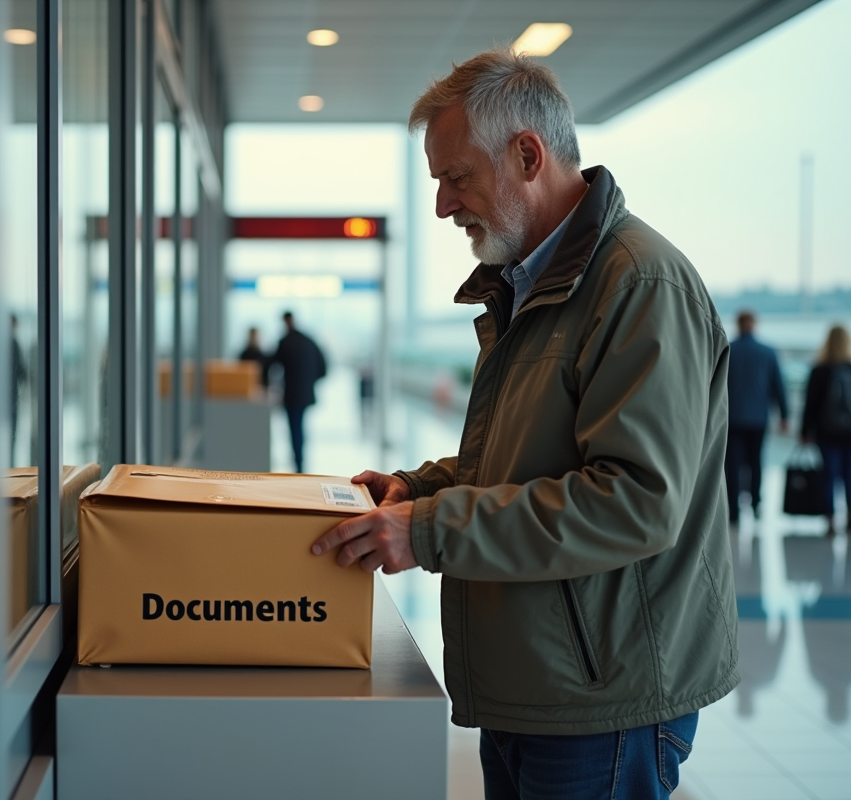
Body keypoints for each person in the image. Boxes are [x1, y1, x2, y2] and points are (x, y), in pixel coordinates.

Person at [311, 48, 738, 799]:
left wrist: (429, 529)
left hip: (602, 701)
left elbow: (634, 500)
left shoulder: (637, 284)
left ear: (527, 154)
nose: (444, 204)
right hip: (540, 683)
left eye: (456, 177)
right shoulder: (532, 286)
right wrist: (415, 488)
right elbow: (525, 462)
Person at [725, 310, 790, 523]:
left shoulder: (728, 350)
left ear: (738, 324)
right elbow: (778, 387)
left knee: (732, 463)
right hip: (758, 417)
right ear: (754, 324)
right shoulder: (768, 352)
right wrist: (784, 415)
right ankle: (755, 504)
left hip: (732, 417)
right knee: (756, 461)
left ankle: (733, 508)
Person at [800, 324, 851, 537]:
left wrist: (805, 431)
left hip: (826, 432)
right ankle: (849, 519)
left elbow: (810, 404)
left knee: (828, 476)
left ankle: (829, 520)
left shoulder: (819, 370)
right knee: (849, 476)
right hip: (849, 433)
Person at [268, 311, 326, 473]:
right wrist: (309, 381)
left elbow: (272, 364)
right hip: (305, 393)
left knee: (295, 427)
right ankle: (300, 460)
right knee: (299, 426)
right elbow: (323, 366)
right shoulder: (308, 340)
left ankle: (298, 460)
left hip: (292, 394)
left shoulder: (285, 342)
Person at [11, 313, 29, 467]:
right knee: (11, 428)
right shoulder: (13, 343)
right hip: (11, 394)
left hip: (6, 394)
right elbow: (21, 369)